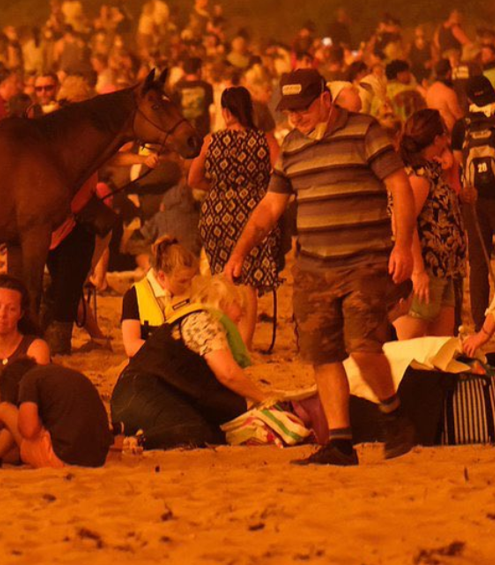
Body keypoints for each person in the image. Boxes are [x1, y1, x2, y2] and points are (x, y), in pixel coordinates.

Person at [225, 68, 419, 466]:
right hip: (313, 267)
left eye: (303, 108)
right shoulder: (292, 147)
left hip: (364, 260)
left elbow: (398, 186)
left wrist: (403, 246)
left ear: (326, 100)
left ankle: (394, 414)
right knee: (323, 354)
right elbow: (270, 206)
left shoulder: (365, 132)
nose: (295, 117)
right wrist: (239, 251)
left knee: (364, 347)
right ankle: (341, 442)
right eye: (289, 110)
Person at [110, 275, 269, 450]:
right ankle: (135, 442)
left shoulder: (193, 319)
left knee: (212, 433)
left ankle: (124, 433)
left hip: (135, 398)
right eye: (237, 303)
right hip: (141, 396)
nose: (242, 312)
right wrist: (264, 399)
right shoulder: (204, 320)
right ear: (223, 302)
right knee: (195, 431)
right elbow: (228, 374)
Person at [189, 85, 282, 295]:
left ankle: (226, 324)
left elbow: (193, 179)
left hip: (217, 214)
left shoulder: (210, 141)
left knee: (222, 277)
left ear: (225, 112)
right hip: (254, 212)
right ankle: (245, 327)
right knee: (247, 279)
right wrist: (258, 186)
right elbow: (281, 174)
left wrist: (218, 187)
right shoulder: (265, 139)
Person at [394, 109, 466, 340]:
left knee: (441, 340)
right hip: (428, 267)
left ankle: (435, 377)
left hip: (444, 268)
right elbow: (405, 222)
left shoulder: (430, 170)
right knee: (412, 329)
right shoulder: (419, 176)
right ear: (437, 138)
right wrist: (418, 270)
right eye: (444, 135)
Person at [0, 358, 112, 468]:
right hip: (98, 459)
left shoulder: (28, 380)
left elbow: (29, 430)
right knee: (18, 418)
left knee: (4, 410)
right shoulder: (62, 375)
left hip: (64, 458)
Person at [453, 74, 495, 329]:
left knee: (478, 262)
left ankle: (480, 323)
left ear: (468, 97)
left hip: (474, 201)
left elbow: (458, 162)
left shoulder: (461, 126)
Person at [121, 238, 201, 358]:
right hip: (150, 364)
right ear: (162, 276)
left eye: (191, 279)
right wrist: (170, 353)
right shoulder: (135, 295)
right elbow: (131, 346)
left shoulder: (195, 289)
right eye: (182, 281)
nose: (189, 285)